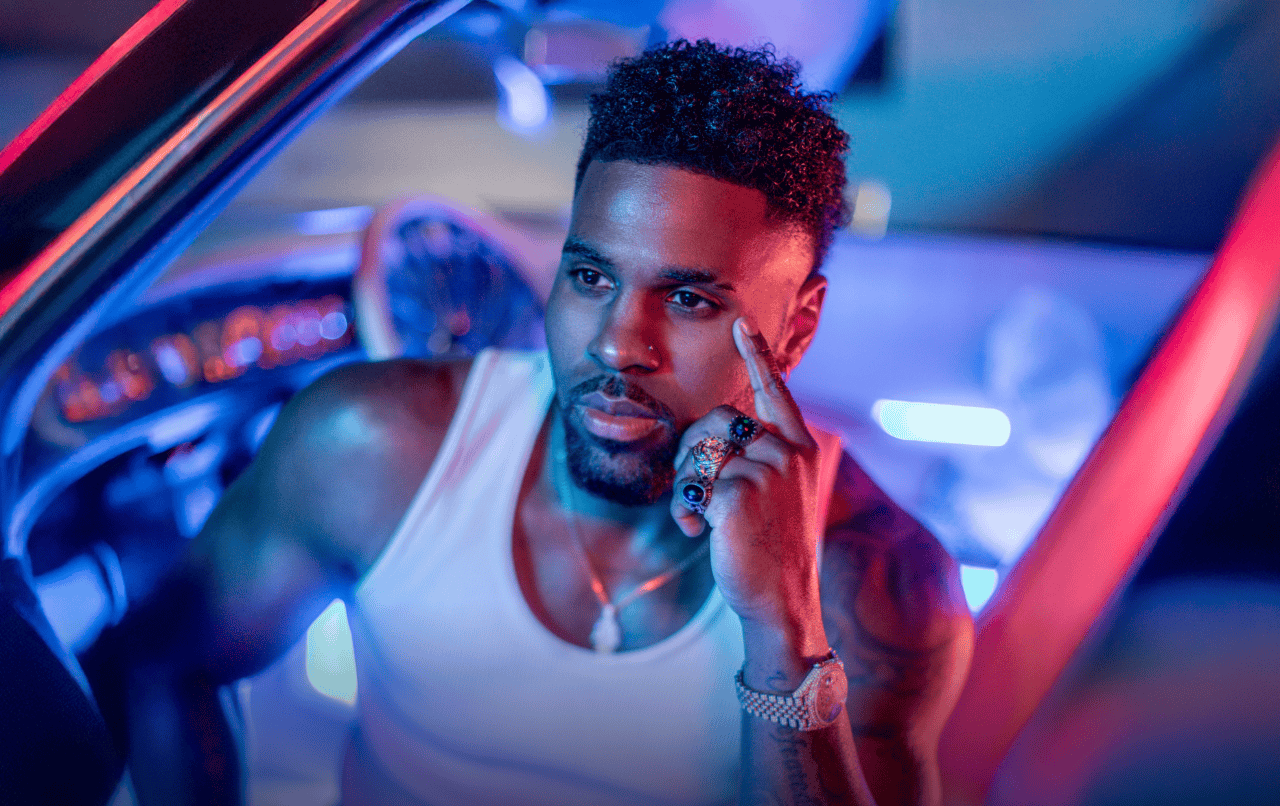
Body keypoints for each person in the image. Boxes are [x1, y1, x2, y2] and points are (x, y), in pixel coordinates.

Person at [82, 39, 974, 806]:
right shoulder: (377, 443)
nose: (617, 344)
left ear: (798, 327)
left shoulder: (881, 585)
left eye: (690, 300)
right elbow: (168, 665)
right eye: (591, 278)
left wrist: (783, 632)